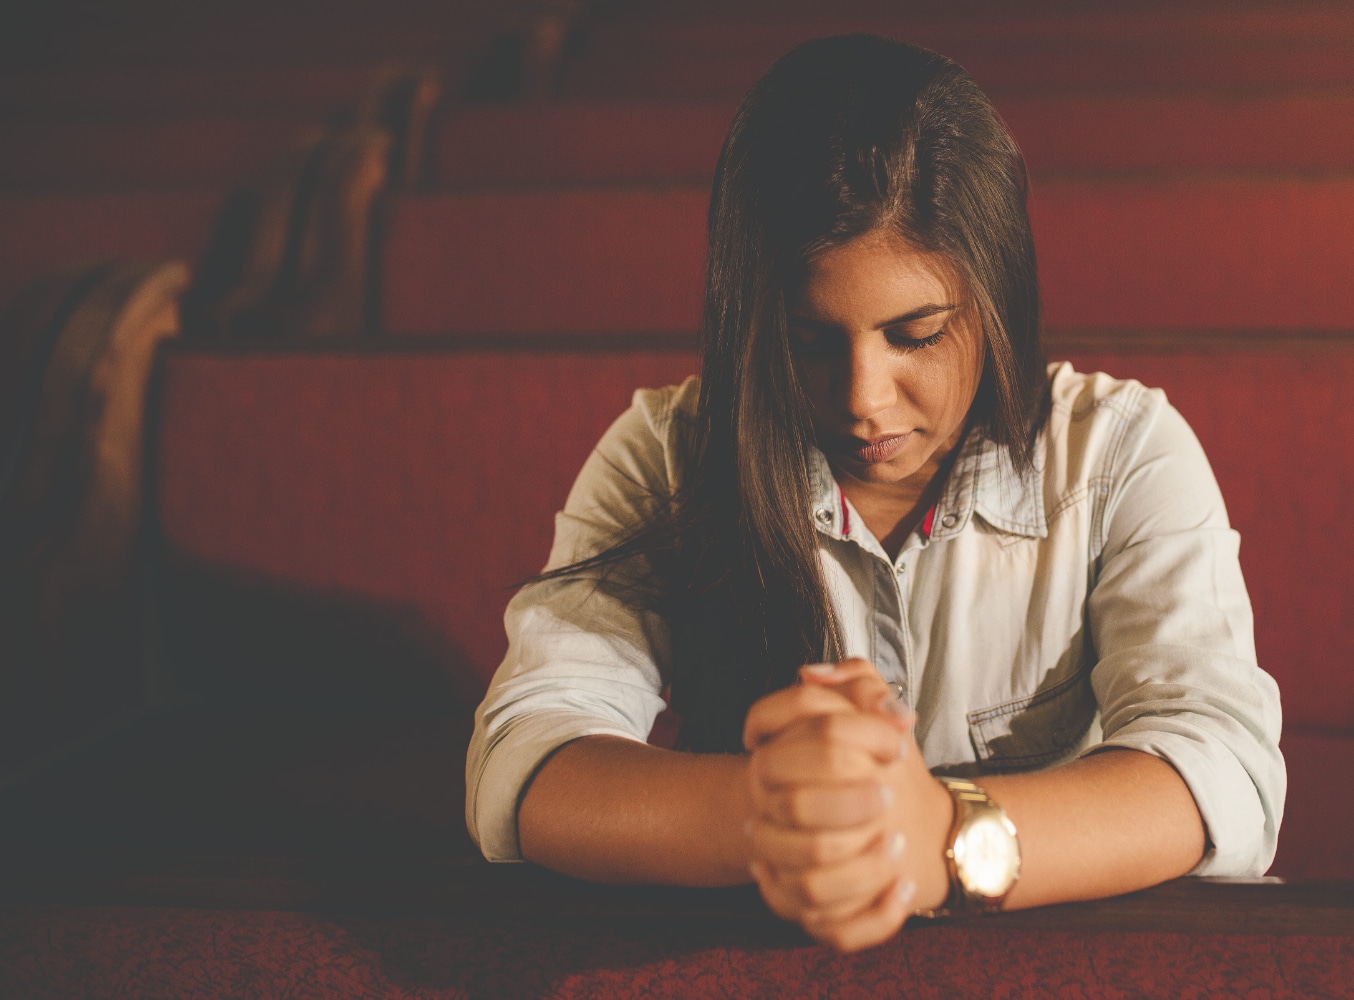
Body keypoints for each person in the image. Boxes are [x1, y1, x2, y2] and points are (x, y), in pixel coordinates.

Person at [465, 33, 1284, 952]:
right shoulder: (670, 453)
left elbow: (1221, 771)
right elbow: (526, 759)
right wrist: (764, 812)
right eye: (807, 342)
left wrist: (931, 837)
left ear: (995, 300)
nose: (862, 399)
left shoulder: (1119, 453)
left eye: (916, 334)